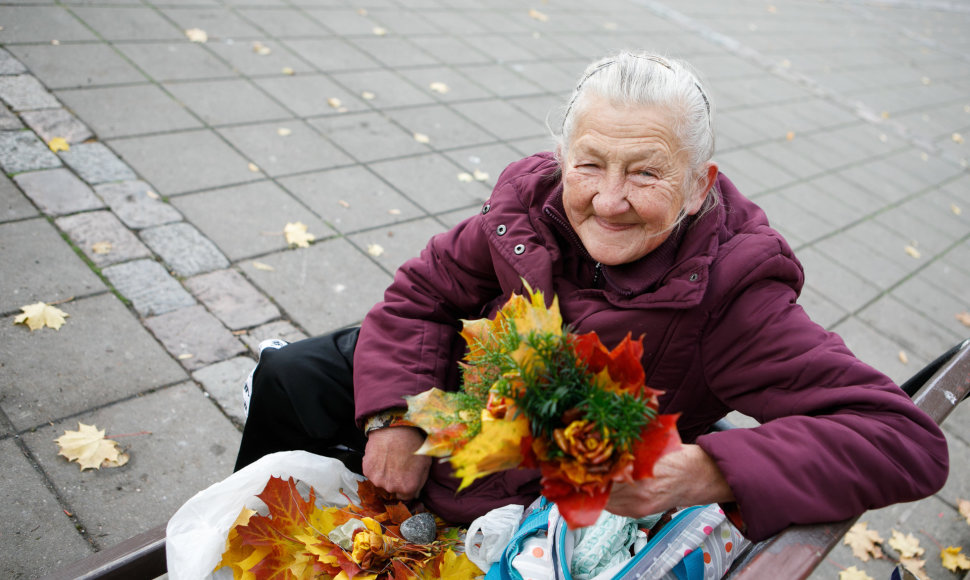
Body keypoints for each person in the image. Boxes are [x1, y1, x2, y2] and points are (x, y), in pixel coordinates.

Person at [235, 50, 948, 542]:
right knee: (290, 377)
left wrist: (709, 470)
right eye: (590, 165)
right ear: (560, 159)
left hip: (538, 490)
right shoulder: (527, 213)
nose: (608, 201)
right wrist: (396, 416)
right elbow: (419, 293)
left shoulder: (736, 295)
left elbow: (902, 440)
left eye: (645, 173)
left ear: (700, 185)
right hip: (458, 405)